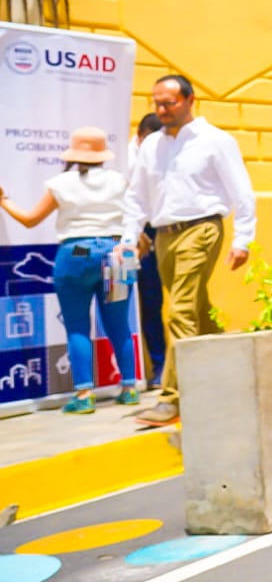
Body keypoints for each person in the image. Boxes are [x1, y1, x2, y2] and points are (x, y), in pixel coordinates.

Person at [119, 75, 256, 428]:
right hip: (165, 234)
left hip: (202, 228)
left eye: (169, 103)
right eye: (157, 103)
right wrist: (129, 236)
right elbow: (136, 196)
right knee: (197, 309)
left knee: (178, 311)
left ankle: (172, 399)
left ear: (190, 99)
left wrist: (243, 239)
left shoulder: (215, 140)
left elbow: (241, 191)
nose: (161, 109)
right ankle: (230, 376)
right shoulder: (151, 146)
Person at [1, 128, 141, 413]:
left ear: (74, 154)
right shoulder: (119, 181)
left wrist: (4, 201)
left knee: (77, 326)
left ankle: (84, 394)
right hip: (114, 252)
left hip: (77, 251)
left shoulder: (60, 183)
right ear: (103, 154)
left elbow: (29, 220)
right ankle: (129, 387)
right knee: (119, 325)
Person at [132, 112, 166, 388]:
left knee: (154, 301)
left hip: (158, 230)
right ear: (140, 135)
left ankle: (161, 367)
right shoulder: (125, 159)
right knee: (138, 303)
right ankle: (149, 368)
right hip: (130, 236)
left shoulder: (165, 151)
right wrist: (136, 233)